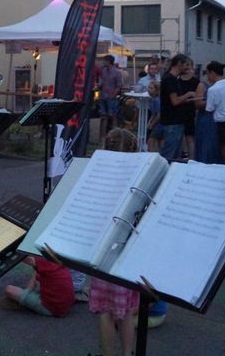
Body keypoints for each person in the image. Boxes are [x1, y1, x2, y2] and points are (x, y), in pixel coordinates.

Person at [90, 128, 141, 356]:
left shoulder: (98, 177)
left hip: (103, 252)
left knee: (105, 311)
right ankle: (128, 353)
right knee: (128, 309)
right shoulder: (140, 179)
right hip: (127, 253)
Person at [2, 256, 75, 318]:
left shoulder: (42, 262)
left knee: (8, 290)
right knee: (37, 273)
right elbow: (36, 270)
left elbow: (22, 257)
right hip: (66, 305)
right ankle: (27, 295)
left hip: (53, 309)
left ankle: (26, 301)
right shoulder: (57, 259)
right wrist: (28, 291)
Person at [158, 54, 197, 161]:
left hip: (175, 121)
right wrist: (188, 94)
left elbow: (175, 101)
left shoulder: (171, 78)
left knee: (175, 155)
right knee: (169, 156)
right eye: (186, 65)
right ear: (179, 64)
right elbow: (175, 101)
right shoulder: (170, 79)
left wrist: (189, 100)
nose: (187, 68)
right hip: (172, 122)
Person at [178, 63, 202, 159]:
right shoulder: (177, 80)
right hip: (179, 109)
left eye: (188, 66)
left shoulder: (195, 81)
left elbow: (199, 95)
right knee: (179, 136)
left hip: (191, 110)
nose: (186, 68)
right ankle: (181, 155)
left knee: (189, 136)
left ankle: (192, 158)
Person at [97, 54, 123, 141]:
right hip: (103, 96)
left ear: (109, 61)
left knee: (112, 116)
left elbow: (119, 85)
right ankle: (102, 137)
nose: (103, 62)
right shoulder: (103, 70)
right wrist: (98, 86)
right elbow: (101, 80)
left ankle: (115, 136)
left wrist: (113, 95)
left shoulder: (117, 72)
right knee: (103, 116)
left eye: (104, 60)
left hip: (111, 97)